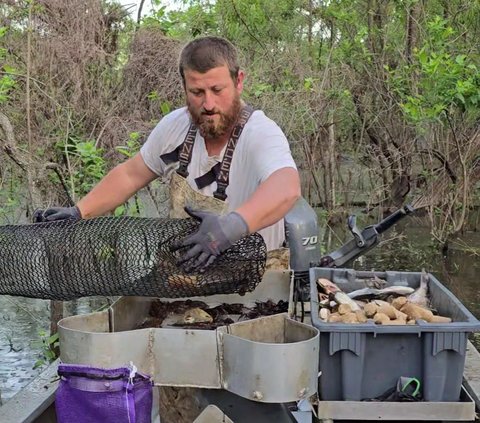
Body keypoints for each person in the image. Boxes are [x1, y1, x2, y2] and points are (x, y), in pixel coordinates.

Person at [34, 36, 300, 272]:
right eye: (197, 92)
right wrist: (79, 212)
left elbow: (286, 188)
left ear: (238, 81)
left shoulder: (261, 133)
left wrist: (231, 227)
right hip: (187, 274)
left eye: (217, 90)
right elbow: (130, 174)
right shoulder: (175, 127)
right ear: (184, 86)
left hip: (254, 280)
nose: (208, 104)